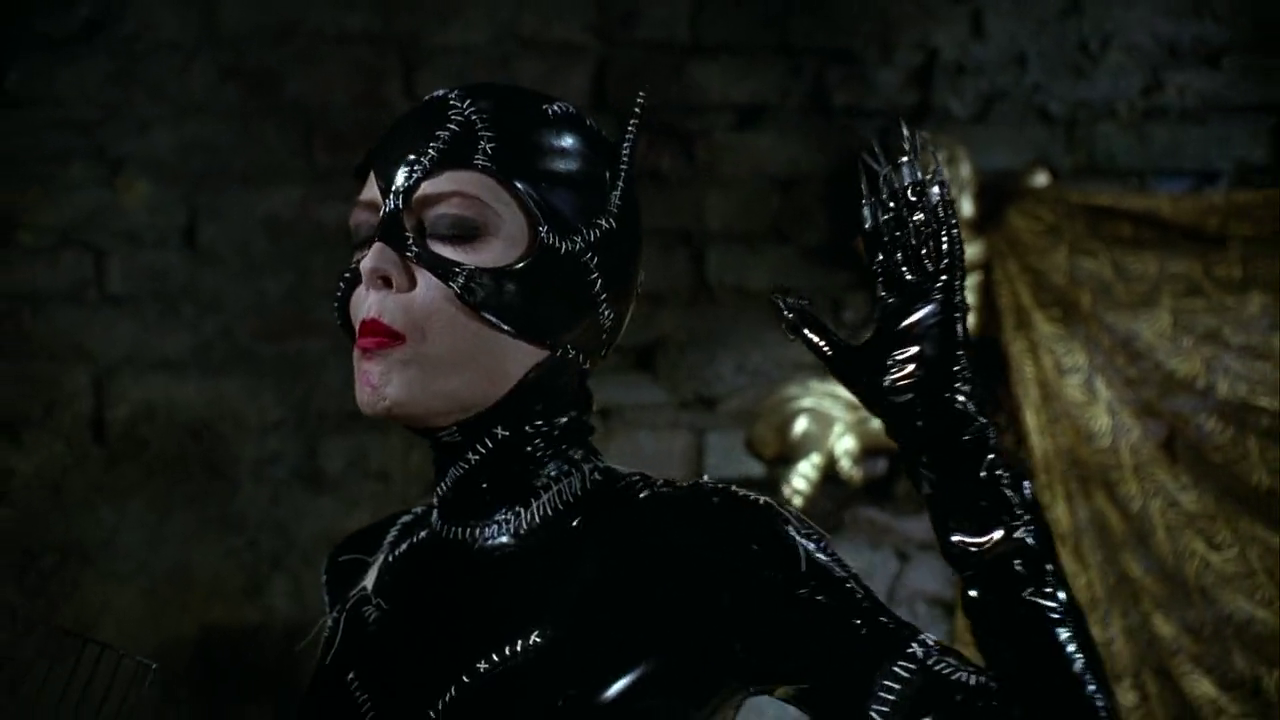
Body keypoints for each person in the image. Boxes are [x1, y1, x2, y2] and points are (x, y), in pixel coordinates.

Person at [297, 83, 1118, 719]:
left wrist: (952, 446)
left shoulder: (705, 554)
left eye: (452, 229)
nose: (376, 268)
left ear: (582, 280)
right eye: (365, 234)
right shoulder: (369, 568)